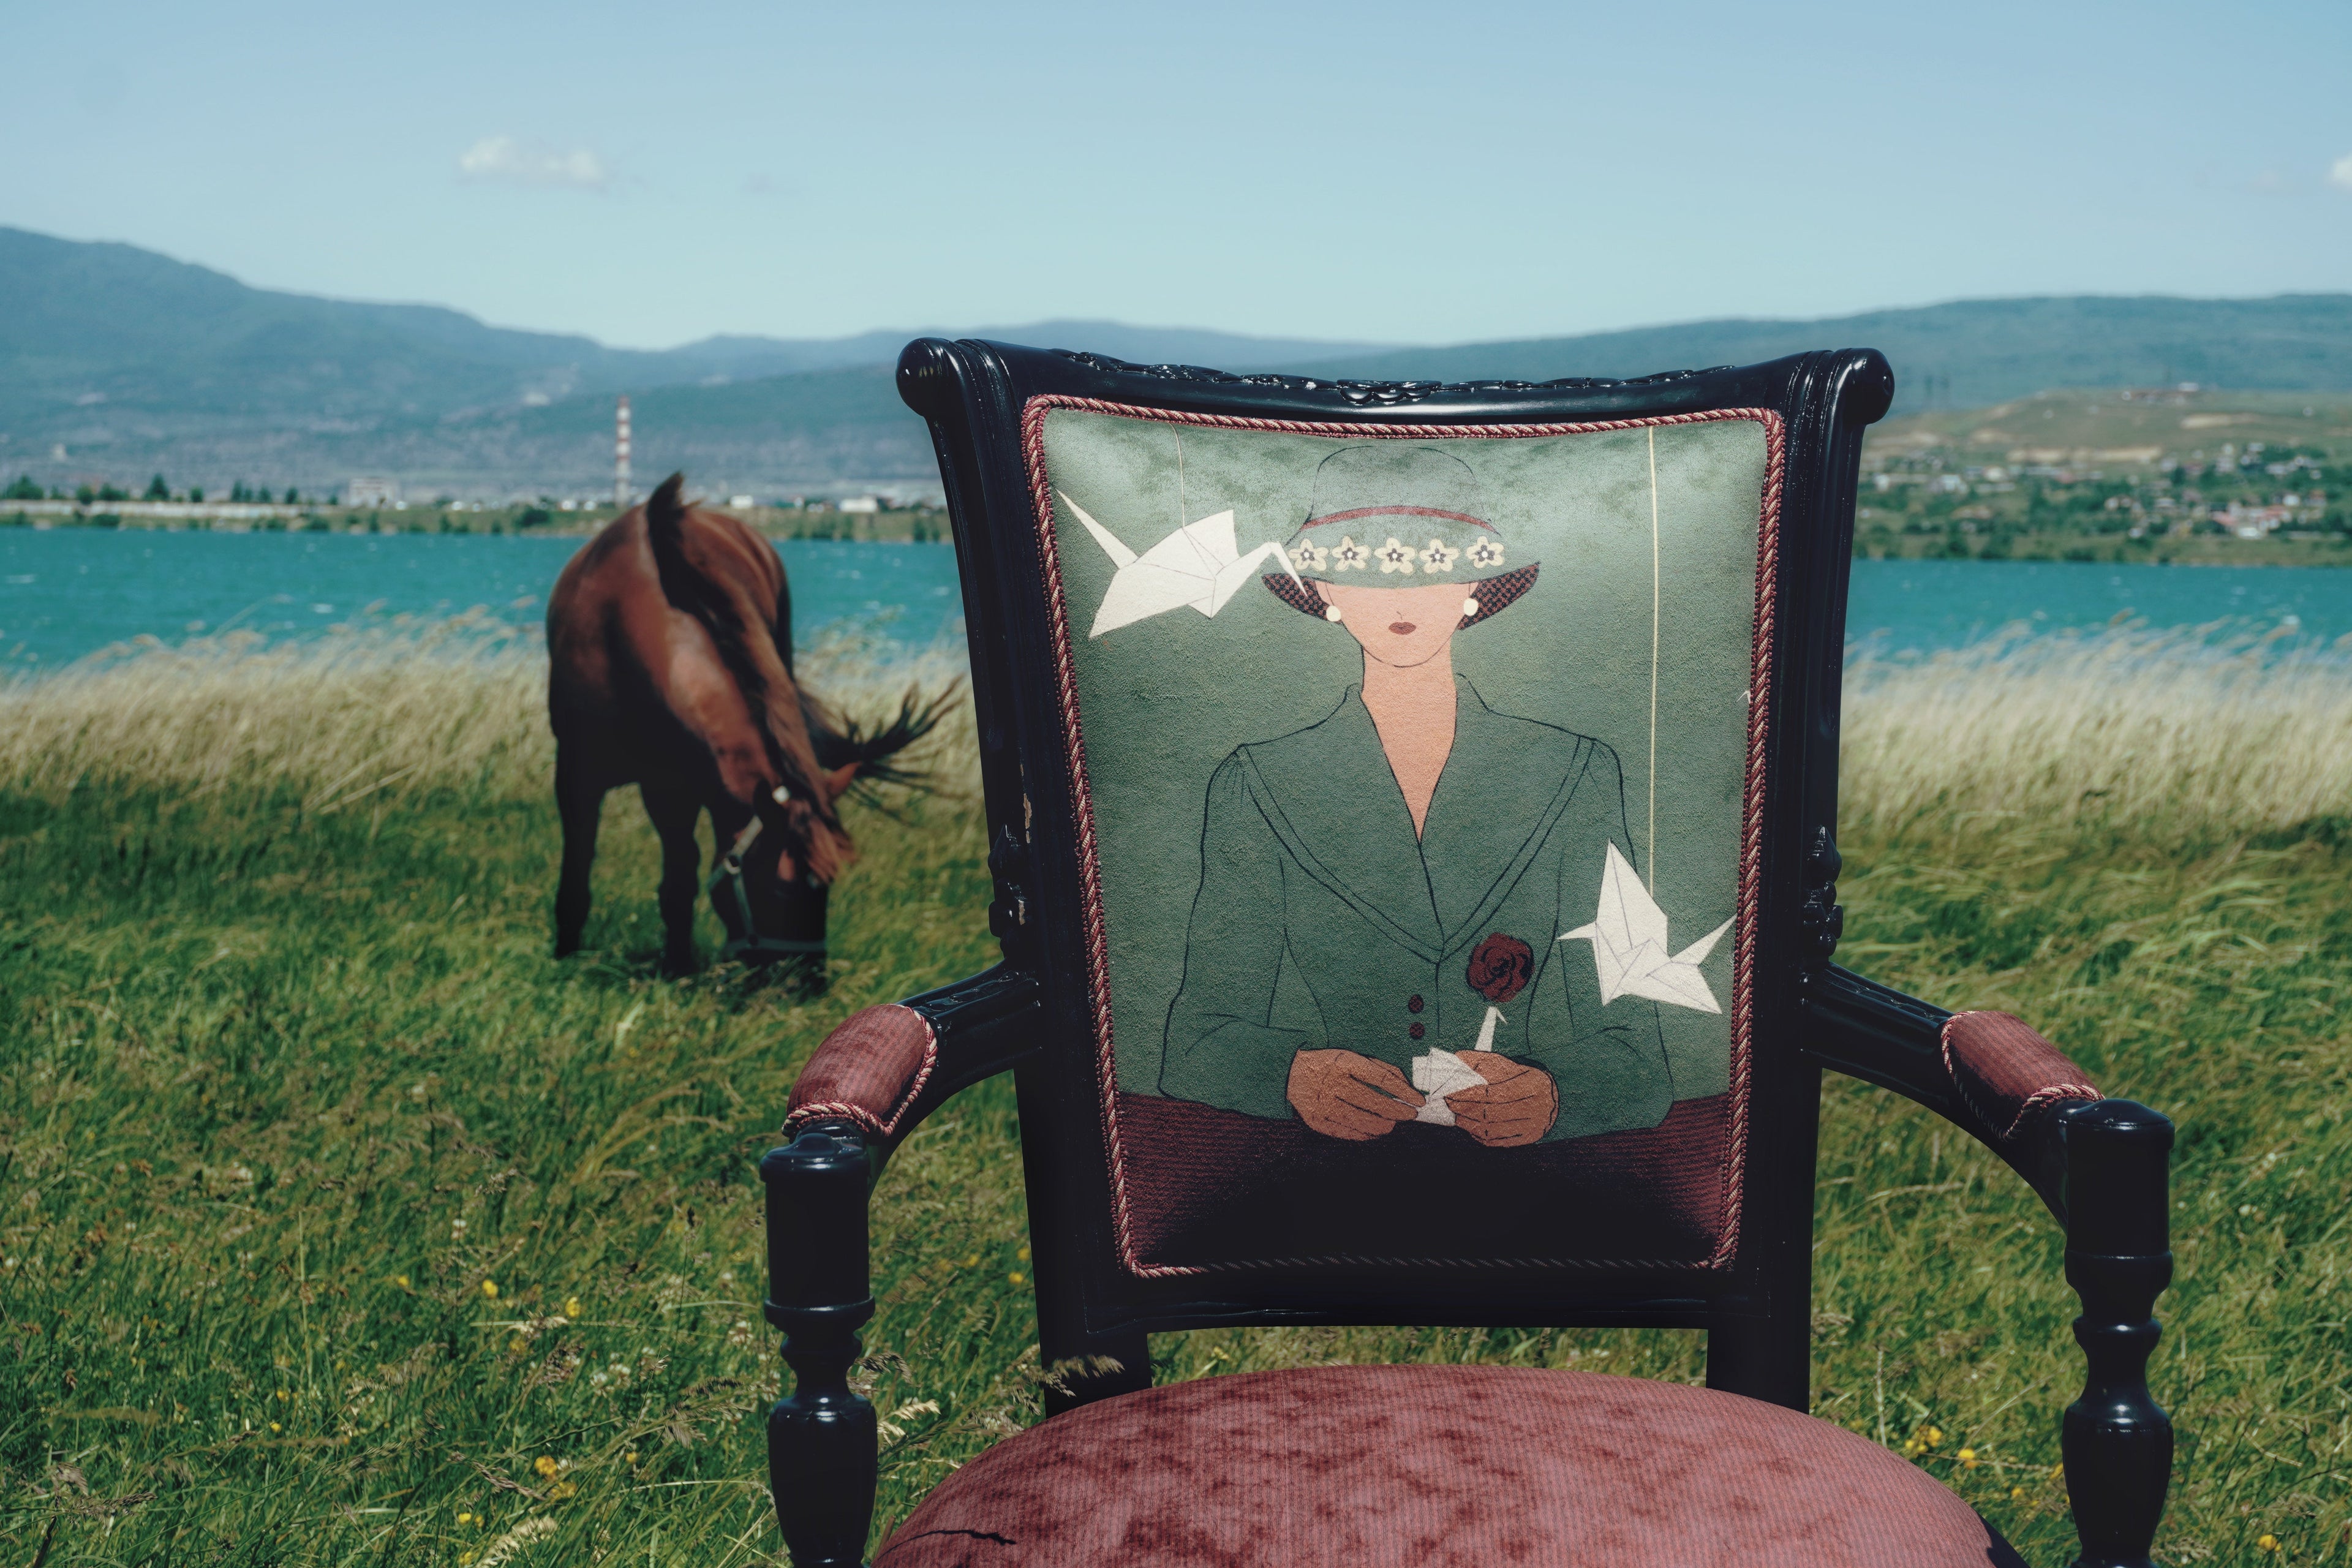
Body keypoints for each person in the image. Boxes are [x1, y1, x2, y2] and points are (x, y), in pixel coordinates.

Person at [1158, 442, 1673, 1147]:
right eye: (1364, 568)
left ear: (1473, 586)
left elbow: (1639, 1057)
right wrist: (1291, 1076)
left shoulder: (1575, 772)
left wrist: (1556, 1093)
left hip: (1521, 1175)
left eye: (1433, 564)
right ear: (1325, 591)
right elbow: (1195, 1041)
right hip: (1326, 1170)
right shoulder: (1257, 784)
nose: (1401, 599)